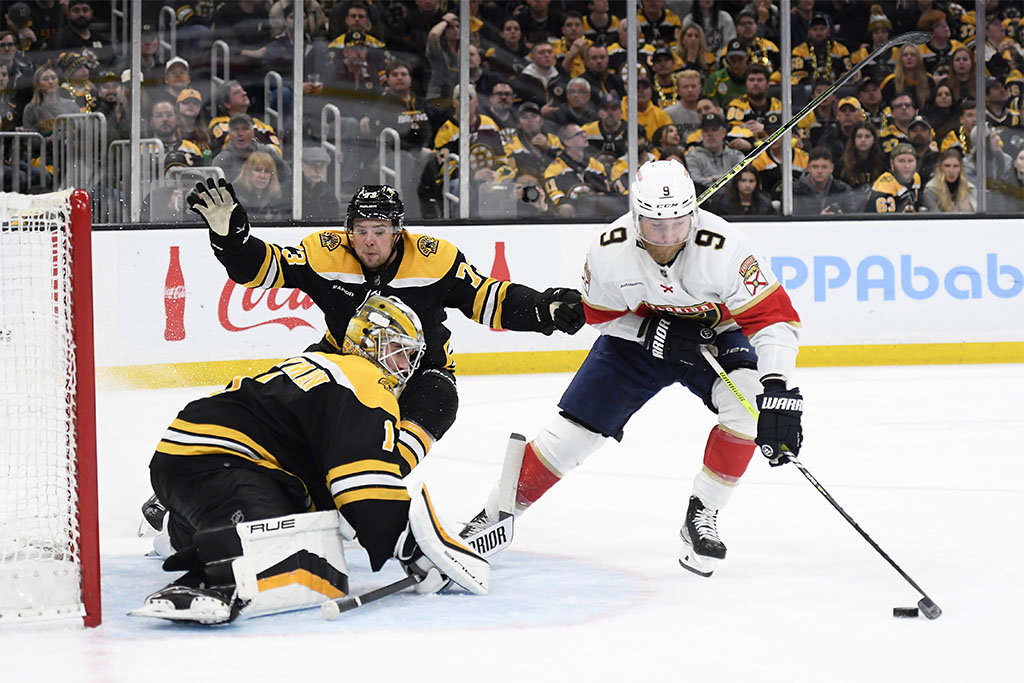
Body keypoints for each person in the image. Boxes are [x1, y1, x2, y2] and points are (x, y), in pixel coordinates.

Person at [460, 159, 803, 579]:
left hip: (715, 338)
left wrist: (779, 391)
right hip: (637, 344)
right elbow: (600, 316)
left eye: (678, 225)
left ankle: (703, 512)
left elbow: (775, 323)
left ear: (693, 214)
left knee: (748, 408)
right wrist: (652, 332)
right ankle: (495, 514)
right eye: (655, 226)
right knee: (572, 435)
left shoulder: (727, 249)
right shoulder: (608, 251)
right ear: (636, 216)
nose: (667, 238)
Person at [189, 181, 585, 495]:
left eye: (380, 231)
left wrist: (542, 308)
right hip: (344, 361)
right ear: (349, 231)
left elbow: (487, 298)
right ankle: (219, 463)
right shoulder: (325, 255)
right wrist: (232, 240)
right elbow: (262, 270)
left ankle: (370, 486)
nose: (369, 241)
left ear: (398, 231)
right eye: (360, 231)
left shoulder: (435, 259)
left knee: (439, 400)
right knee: (281, 393)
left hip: (419, 371)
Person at [131, 291, 490, 624]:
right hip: (221, 459)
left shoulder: (326, 365)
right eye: (401, 351)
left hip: (201, 456)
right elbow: (361, 482)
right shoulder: (366, 381)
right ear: (373, 342)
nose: (405, 365)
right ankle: (207, 586)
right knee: (281, 545)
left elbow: (326, 475)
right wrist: (410, 546)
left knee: (303, 524)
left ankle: (182, 531)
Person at [543, 122, 612, 217]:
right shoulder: (554, 169)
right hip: (572, 217)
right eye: (578, 134)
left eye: (583, 132)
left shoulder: (596, 166)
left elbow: (605, 194)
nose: (584, 135)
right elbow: (556, 199)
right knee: (565, 209)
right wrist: (581, 204)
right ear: (567, 142)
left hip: (596, 212)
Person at [685, 112, 744, 194]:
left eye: (714, 129)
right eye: (706, 130)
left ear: (723, 133)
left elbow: (743, 178)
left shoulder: (736, 155)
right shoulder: (692, 157)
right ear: (702, 134)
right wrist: (727, 179)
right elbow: (694, 181)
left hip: (735, 199)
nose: (710, 134)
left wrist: (712, 179)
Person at [793, 146, 856, 216]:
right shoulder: (795, 190)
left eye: (824, 167)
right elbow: (794, 219)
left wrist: (840, 217)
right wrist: (820, 218)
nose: (819, 171)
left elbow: (852, 217)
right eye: (815, 167)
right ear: (808, 168)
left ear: (832, 168)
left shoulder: (843, 190)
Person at [231, 151, 289, 221]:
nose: (262, 176)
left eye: (267, 171)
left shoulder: (277, 196)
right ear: (248, 171)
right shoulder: (234, 194)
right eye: (257, 170)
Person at [866, 142, 922, 213]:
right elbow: (885, 220)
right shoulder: (884, 185)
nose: (907, 166)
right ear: (892, 163)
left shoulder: (916, 177)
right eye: (901, 161)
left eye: (910, 161)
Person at [838, 121, 887, 198]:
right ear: (854, 140)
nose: (863, 140)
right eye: (859, 136)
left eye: (867, 136)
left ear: (874, 140)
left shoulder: (882, 162)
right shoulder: (843, 163)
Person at [711, 167, 775, 216]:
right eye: (743, 181)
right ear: (737, 182)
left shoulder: (765, 203)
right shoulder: (723, 202)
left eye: (751, 181)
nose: (747, 185)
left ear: (757, 183)